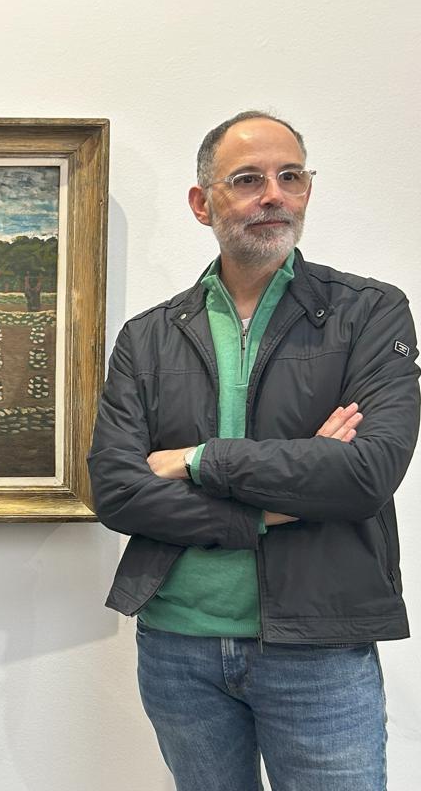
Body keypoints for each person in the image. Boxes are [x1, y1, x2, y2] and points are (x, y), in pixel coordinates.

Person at [88, 111, 419, 790]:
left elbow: (365, 474)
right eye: (248, 180)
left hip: (320, 647)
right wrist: (267, 512)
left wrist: (198, 460)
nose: (275, 195)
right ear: (201, 203)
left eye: (290, 176)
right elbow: (117, 490)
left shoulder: (371, 312)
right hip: (177, 646)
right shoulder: (146, 338)